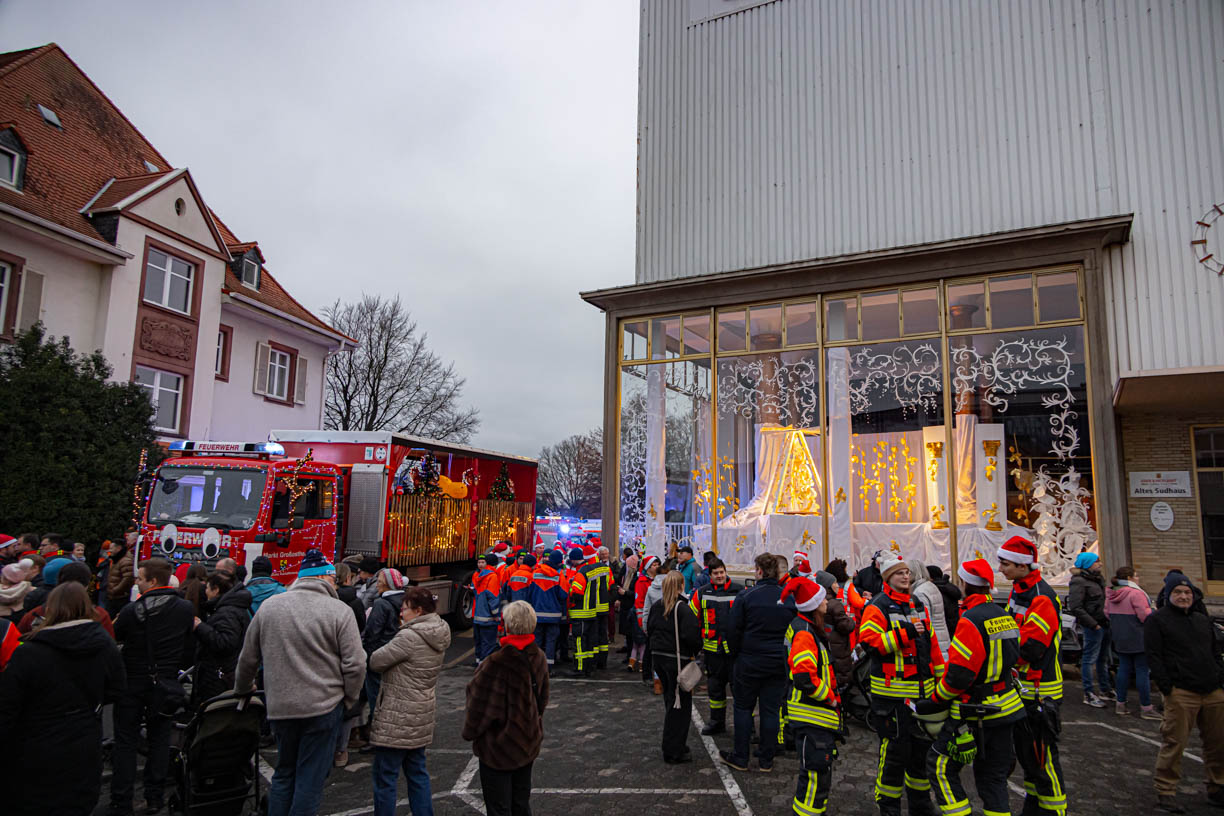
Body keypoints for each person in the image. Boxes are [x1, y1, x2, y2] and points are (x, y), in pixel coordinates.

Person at [234, 549, 365, 816]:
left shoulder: (271, 606)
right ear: (324, 579)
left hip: (281, 706)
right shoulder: (339, 611)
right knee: (310, 778)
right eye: (332, 579)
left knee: (284, 772)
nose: (335, 584)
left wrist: (243, 689)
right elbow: (356, 664)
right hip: (324, 706)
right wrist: (349, 698)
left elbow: (247, 658)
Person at [0, 582, 125, 816]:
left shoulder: (30, 652)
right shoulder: (104, 644)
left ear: (50, 609)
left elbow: (7, 708)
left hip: (35, 747)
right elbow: (117, 688)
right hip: (83, 743)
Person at [921, 558, 1025, 816]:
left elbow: (959, 676)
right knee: (993, 778)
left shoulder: (970, 620)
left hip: (976, 712)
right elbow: (1017, 655)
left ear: (966, 584)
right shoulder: (1004, 616)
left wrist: (935, 700)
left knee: (941, 767)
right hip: (1007, 706)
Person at [857, 553, 943, 816]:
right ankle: (889, 808)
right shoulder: (878, 606)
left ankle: (921, 806)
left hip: (921, 696)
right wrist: (903, 633)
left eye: (906, 572)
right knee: (894, 756)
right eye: (899, 573)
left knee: (920, 756)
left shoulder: (918, 603)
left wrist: (941, 681)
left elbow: (932, 646)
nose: (905, 576)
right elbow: (870, 643)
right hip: (891, 699)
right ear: (887, 578)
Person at [109, 557, 195, 816]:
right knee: (160, 738)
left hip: (133, 680)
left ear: (153, 581)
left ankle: (121, 800)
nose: (136, 581)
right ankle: (154, 797)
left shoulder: (131, 611)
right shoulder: (185, 608)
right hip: (166, 681)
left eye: (140, 578)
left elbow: (116, 638)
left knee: (125, 740)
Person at [998, 535, 1067, 816]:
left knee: (1043, 758)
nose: (1000, 568)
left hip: (1040, 692)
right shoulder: (1020, 591)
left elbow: (1032, 646)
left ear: (1022, 566)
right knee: (1029, 757)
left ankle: (1053, 810)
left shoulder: (1041, 598)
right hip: (1023, 689)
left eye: (1005, 564)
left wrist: (1000, 654)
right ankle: (1033, 806)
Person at [1145, 573, 1224, 813]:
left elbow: (1214, 651)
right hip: (1181, 692)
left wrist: (1220, 678)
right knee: (1174, 742)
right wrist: (1167, 687)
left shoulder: (1202, 620)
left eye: (1187, 593)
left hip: (1212, 690)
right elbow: (1154, 656)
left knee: (1218, 743)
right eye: (1178, 593)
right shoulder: (1157, 621)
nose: (1183, 596)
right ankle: (1166, 790)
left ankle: (1217, 786)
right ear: (1168, 595)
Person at [369, 586, 452, 816]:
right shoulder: (440, 631)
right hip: (421, 712)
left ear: (417, 611)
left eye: (404, 609)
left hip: (397, 715)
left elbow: (376, 661)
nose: (401, 614)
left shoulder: (409, 636)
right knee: (417, 772)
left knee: (386, 776)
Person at [462, 600, 549, 816]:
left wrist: (471, 732)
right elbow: (543, 698)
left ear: (507, 625)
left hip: (498, 748)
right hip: (527, 741)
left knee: (499, 807)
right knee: (520, 802)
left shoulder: (495, 663)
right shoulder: (538, 656)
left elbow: (479, 706)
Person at [721, 552, 796, 773]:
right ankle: (766, 759)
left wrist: (734, 655)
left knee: (744, 708)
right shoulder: (788, 598)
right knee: (770, 711)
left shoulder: (747, 596)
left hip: (750, 659)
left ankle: (741, 757)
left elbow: (732, 630)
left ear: (759, 571)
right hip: (777, 661)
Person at [779, 576, 841, 816]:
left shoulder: (803, 627)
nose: (826, 602)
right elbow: (804, 678)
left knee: (816, 778)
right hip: (812, 715)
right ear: (814, 605)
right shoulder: (805, 633)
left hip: (811, 715)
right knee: (815, 780)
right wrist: (831, 698)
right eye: (822, 598)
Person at [648, 570, 701, 764]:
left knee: (670, 701)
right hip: (678, 661)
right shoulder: (683, 609)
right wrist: (696, 650)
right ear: (681, 586)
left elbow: (650, 629)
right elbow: (692, 636)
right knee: (680, 706)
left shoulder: (657, 607)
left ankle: (674, 745)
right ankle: (674, 749)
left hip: (659, 659)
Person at [689, 557, 741, 735]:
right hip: (712, 652)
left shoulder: (740, 591)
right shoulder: (701, 593)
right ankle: (716, 722)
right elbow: (691, 617)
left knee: (739, 690)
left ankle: (744, 728)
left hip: (735, 652)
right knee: (715, 689)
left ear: (726, 572)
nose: (720, 576)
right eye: (716, 573)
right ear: (710, 575)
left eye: (722, 572)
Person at [1106, 566, 1159, 719]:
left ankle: (1120, 704)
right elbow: (1145, 616)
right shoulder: (1136, 593)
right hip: (1138, 636)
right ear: (1129, 578)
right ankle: (1146, 707)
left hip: (1120, 637)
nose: (1138, 578)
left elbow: (1106, 613)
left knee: (1123, 669)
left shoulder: (1111, 593)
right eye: (1136, 576)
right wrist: (1153, 610)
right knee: (1142, 671)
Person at [192, 571, 251, 705]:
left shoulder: (227, 612)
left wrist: (200, 627)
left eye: (207, 588)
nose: (205, 591)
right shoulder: (233, 608)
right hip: (225, 675)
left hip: (218, 678)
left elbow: (225, 642)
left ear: (216, 590)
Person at [18, 560, 115, 637]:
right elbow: (109, 651)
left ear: (58, 582)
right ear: (87, 585)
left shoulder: (35, 615)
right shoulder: (99, 615)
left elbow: (18, 643)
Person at [1068, 551, 1113, 707]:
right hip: (1093, 626)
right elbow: (1075, 606)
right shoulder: (1079, 582)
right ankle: (1089, 693)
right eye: (1096, 561)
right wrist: (1093, 624)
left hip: (1104, 623)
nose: (1100, 564)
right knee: (1089, 659)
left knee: (1103, 658)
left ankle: (1105, 689)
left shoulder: (1097, 579)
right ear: (1088, 564)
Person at [363, 567, 406, 718]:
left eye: (380, 582)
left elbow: (372, 633)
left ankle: (376, 726)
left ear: (388, 584)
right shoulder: (405, 600)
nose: (377, 585)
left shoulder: (381, 604)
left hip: (379, 655)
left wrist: (369, 658)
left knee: (376, 695)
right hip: (398, 656)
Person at [812, 570, 855, 702]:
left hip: (827, 646)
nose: (838, 586)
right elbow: (845, 626)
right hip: (839, 648)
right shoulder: (835, 604)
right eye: (835, 583)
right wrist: (851, 621)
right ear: (828, 586)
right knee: (841, 678)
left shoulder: (818, 603)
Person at [530, 548, 566, 671]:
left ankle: (536, 666)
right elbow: (563, 595)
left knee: (537, 641)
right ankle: (548, 667)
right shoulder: (558, 576)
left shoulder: (535, 573)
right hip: (553, 615)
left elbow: (530, 592)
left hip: (537, 614)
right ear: (558, 562)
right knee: (551, 641)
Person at [566, 547, 600, 677]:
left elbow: (576, 593)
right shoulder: (592, 570)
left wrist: (570, 590)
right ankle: (589, 667)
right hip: (592, 611)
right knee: (589, 641)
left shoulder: (580, 573)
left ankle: (579, 668)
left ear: (574, 560)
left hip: (580, 612)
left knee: (579, 641)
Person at [907, 557, 948, 660]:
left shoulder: (919, 592)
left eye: (907, 573)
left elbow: (925, 621)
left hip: (935, 642)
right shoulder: (930, 586)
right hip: (943, 638)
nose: (905, 576)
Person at [472, 553, 502, 665]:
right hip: (488, 618)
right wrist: (495, 615)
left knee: (479, 641)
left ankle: (478, 661)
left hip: (478, 616)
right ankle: (484, 666)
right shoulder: (492, 576)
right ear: (495, 564)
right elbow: (493, 598)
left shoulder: (478, 575)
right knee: (488, 643)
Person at [631, 555, 659, 673]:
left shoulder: (659, 580)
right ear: (648, 568)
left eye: (658, 564)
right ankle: (644, 667)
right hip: (646, 617)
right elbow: (639, 603)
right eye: (654, 565)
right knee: (644, 645)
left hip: (657, 617)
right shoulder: (641, 582)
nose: (657, 567)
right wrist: (642, 621)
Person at [590, 546, 612, 668]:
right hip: (604, 606)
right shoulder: (607, 570)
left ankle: (594, 660)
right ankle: (602, 661)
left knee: (594, 634)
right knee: (603, 635)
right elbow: (611, 585)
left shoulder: (590, 570)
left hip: (593, 607)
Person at [925, 564, 962, 637]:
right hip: (954, 626)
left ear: (930, 578)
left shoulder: (934, 590)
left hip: (942, 629)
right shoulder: (949, 587)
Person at [104, 534, 136, 618]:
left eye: (111, 548)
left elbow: (127, 579)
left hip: (120, 597)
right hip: (114, 596)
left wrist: (115, 590)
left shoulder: (125, 561)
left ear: (118, 548)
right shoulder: (116, 559)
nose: (109, 550)